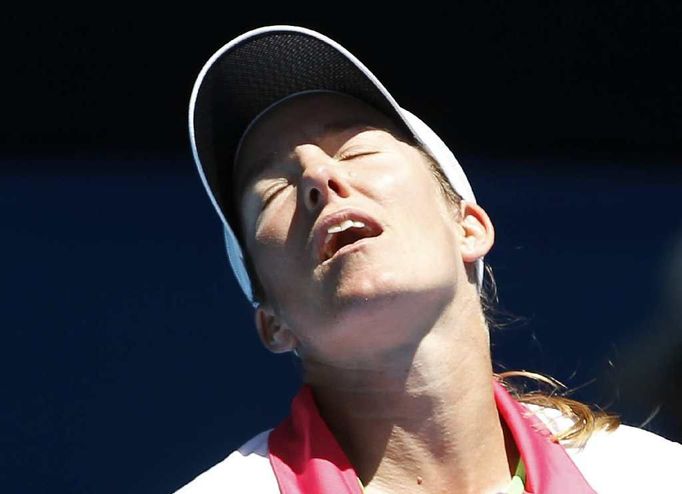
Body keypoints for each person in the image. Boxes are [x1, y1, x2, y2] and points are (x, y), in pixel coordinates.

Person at [178, 25, 682, 493]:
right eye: (272, 190)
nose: (318, 177)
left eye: (356, 149)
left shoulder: (654, 478)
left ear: (468, 226)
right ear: (271, 322)